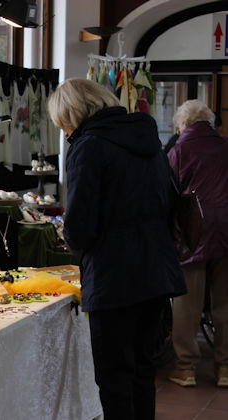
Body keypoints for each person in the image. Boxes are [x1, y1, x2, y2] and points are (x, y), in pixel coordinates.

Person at [47, 78, 186, 420]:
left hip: (114, 276)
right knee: (142, 372)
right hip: (155, 271)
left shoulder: (88, 145)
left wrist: (69, 237)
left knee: (114, 380)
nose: (64, 132)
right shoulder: (147, 137)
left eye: (63, 124)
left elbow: (80, 226)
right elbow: (169, 201)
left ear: (72, 115)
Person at [167, 100, 228, 388]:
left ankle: (186, 367)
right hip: (227, 230)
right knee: (225, 303)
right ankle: (225, 367)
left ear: (183, 124)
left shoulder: (180, 149)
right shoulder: (226, 145)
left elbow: (168, 192)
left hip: (194, 232)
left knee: (186, 303)